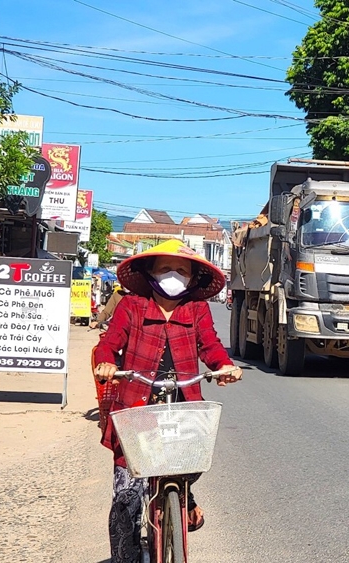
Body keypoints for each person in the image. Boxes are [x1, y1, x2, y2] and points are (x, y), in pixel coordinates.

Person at [93, 239, 243, 563]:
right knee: (127, 500)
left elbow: (211, 346)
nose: (173, 275)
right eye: (165, 269)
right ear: (150, 273)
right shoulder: (132, 306)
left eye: (181, 270)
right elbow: (109, 345)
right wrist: (107, 364)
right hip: (136, 410)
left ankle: (183, 500)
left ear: (192, 278)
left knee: (192, 459)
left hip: (182, 407)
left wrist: (223, 366)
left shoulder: (196, 309)